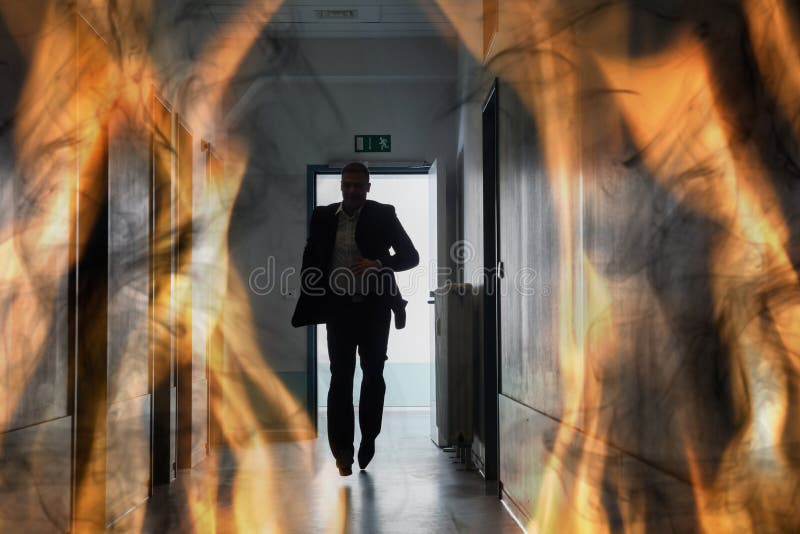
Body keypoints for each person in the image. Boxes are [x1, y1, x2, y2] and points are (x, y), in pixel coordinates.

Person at [291, 161, 419, 476]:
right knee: (341, 377)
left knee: (373, 374)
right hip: (338, 309)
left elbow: (410, 256)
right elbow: (312, 256)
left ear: (368, 187)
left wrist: (379, 263)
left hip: (374, 309)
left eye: (358, 185)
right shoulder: (322, 216)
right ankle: (342, 453)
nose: (352, 190)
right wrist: (311, 293)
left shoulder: (383, 214)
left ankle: (369, 437)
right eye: (347, 185)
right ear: (341, 186)